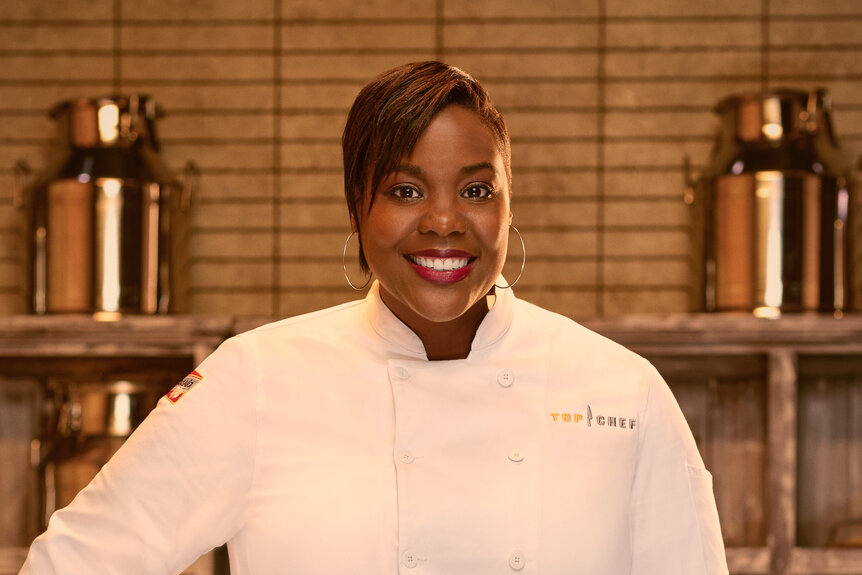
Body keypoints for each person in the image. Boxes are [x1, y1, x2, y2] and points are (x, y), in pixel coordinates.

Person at [21, 61, 728, 574]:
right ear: (358, 209)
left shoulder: (621, 392)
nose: (446, 221)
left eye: (477, 188)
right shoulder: (259, 380)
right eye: (406, 188)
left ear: (510, 205)